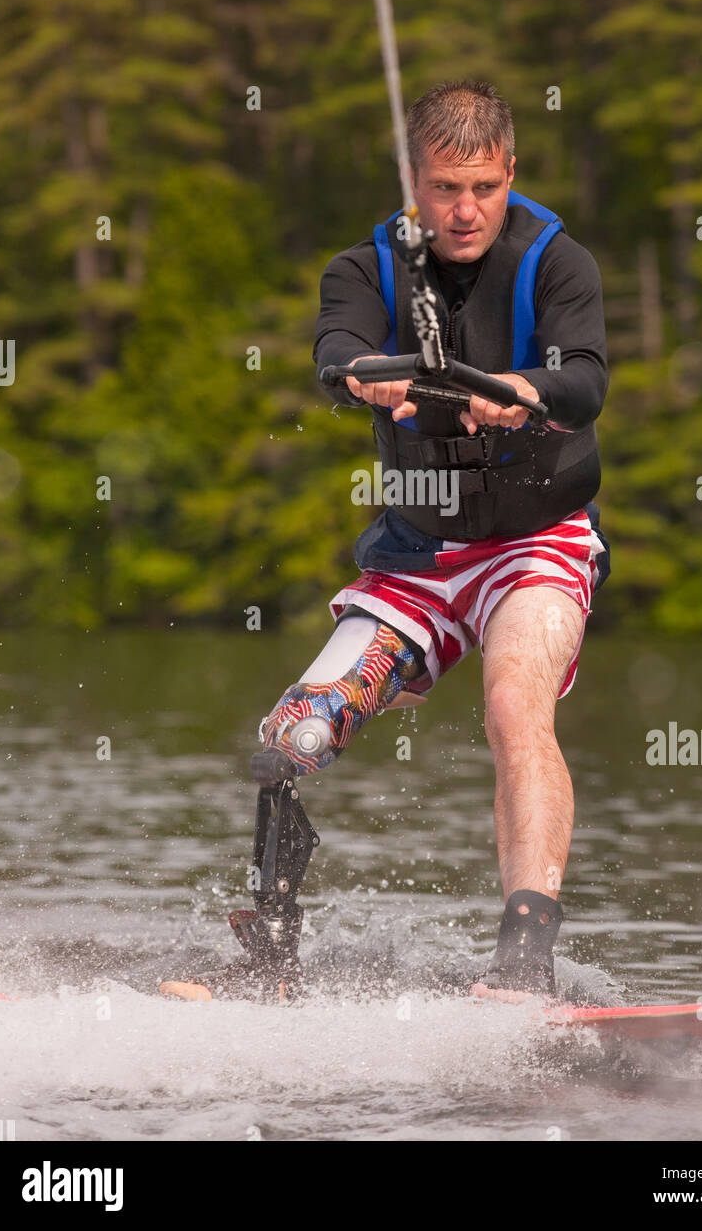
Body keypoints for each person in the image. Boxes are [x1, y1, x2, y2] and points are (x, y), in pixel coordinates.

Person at [256, 80, 609, 1000]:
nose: (465, 211)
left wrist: (515, 392)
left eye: (485, 188)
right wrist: (374, 382)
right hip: (419, 556)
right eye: (446, 188)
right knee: (292, 738)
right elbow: (335, 353)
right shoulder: (366, 267)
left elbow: (584, 383)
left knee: (513, 703)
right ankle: (268, 958)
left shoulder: (559, 261)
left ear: (511, 173)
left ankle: (524, 965)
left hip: (539, 542)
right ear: (415, 178)